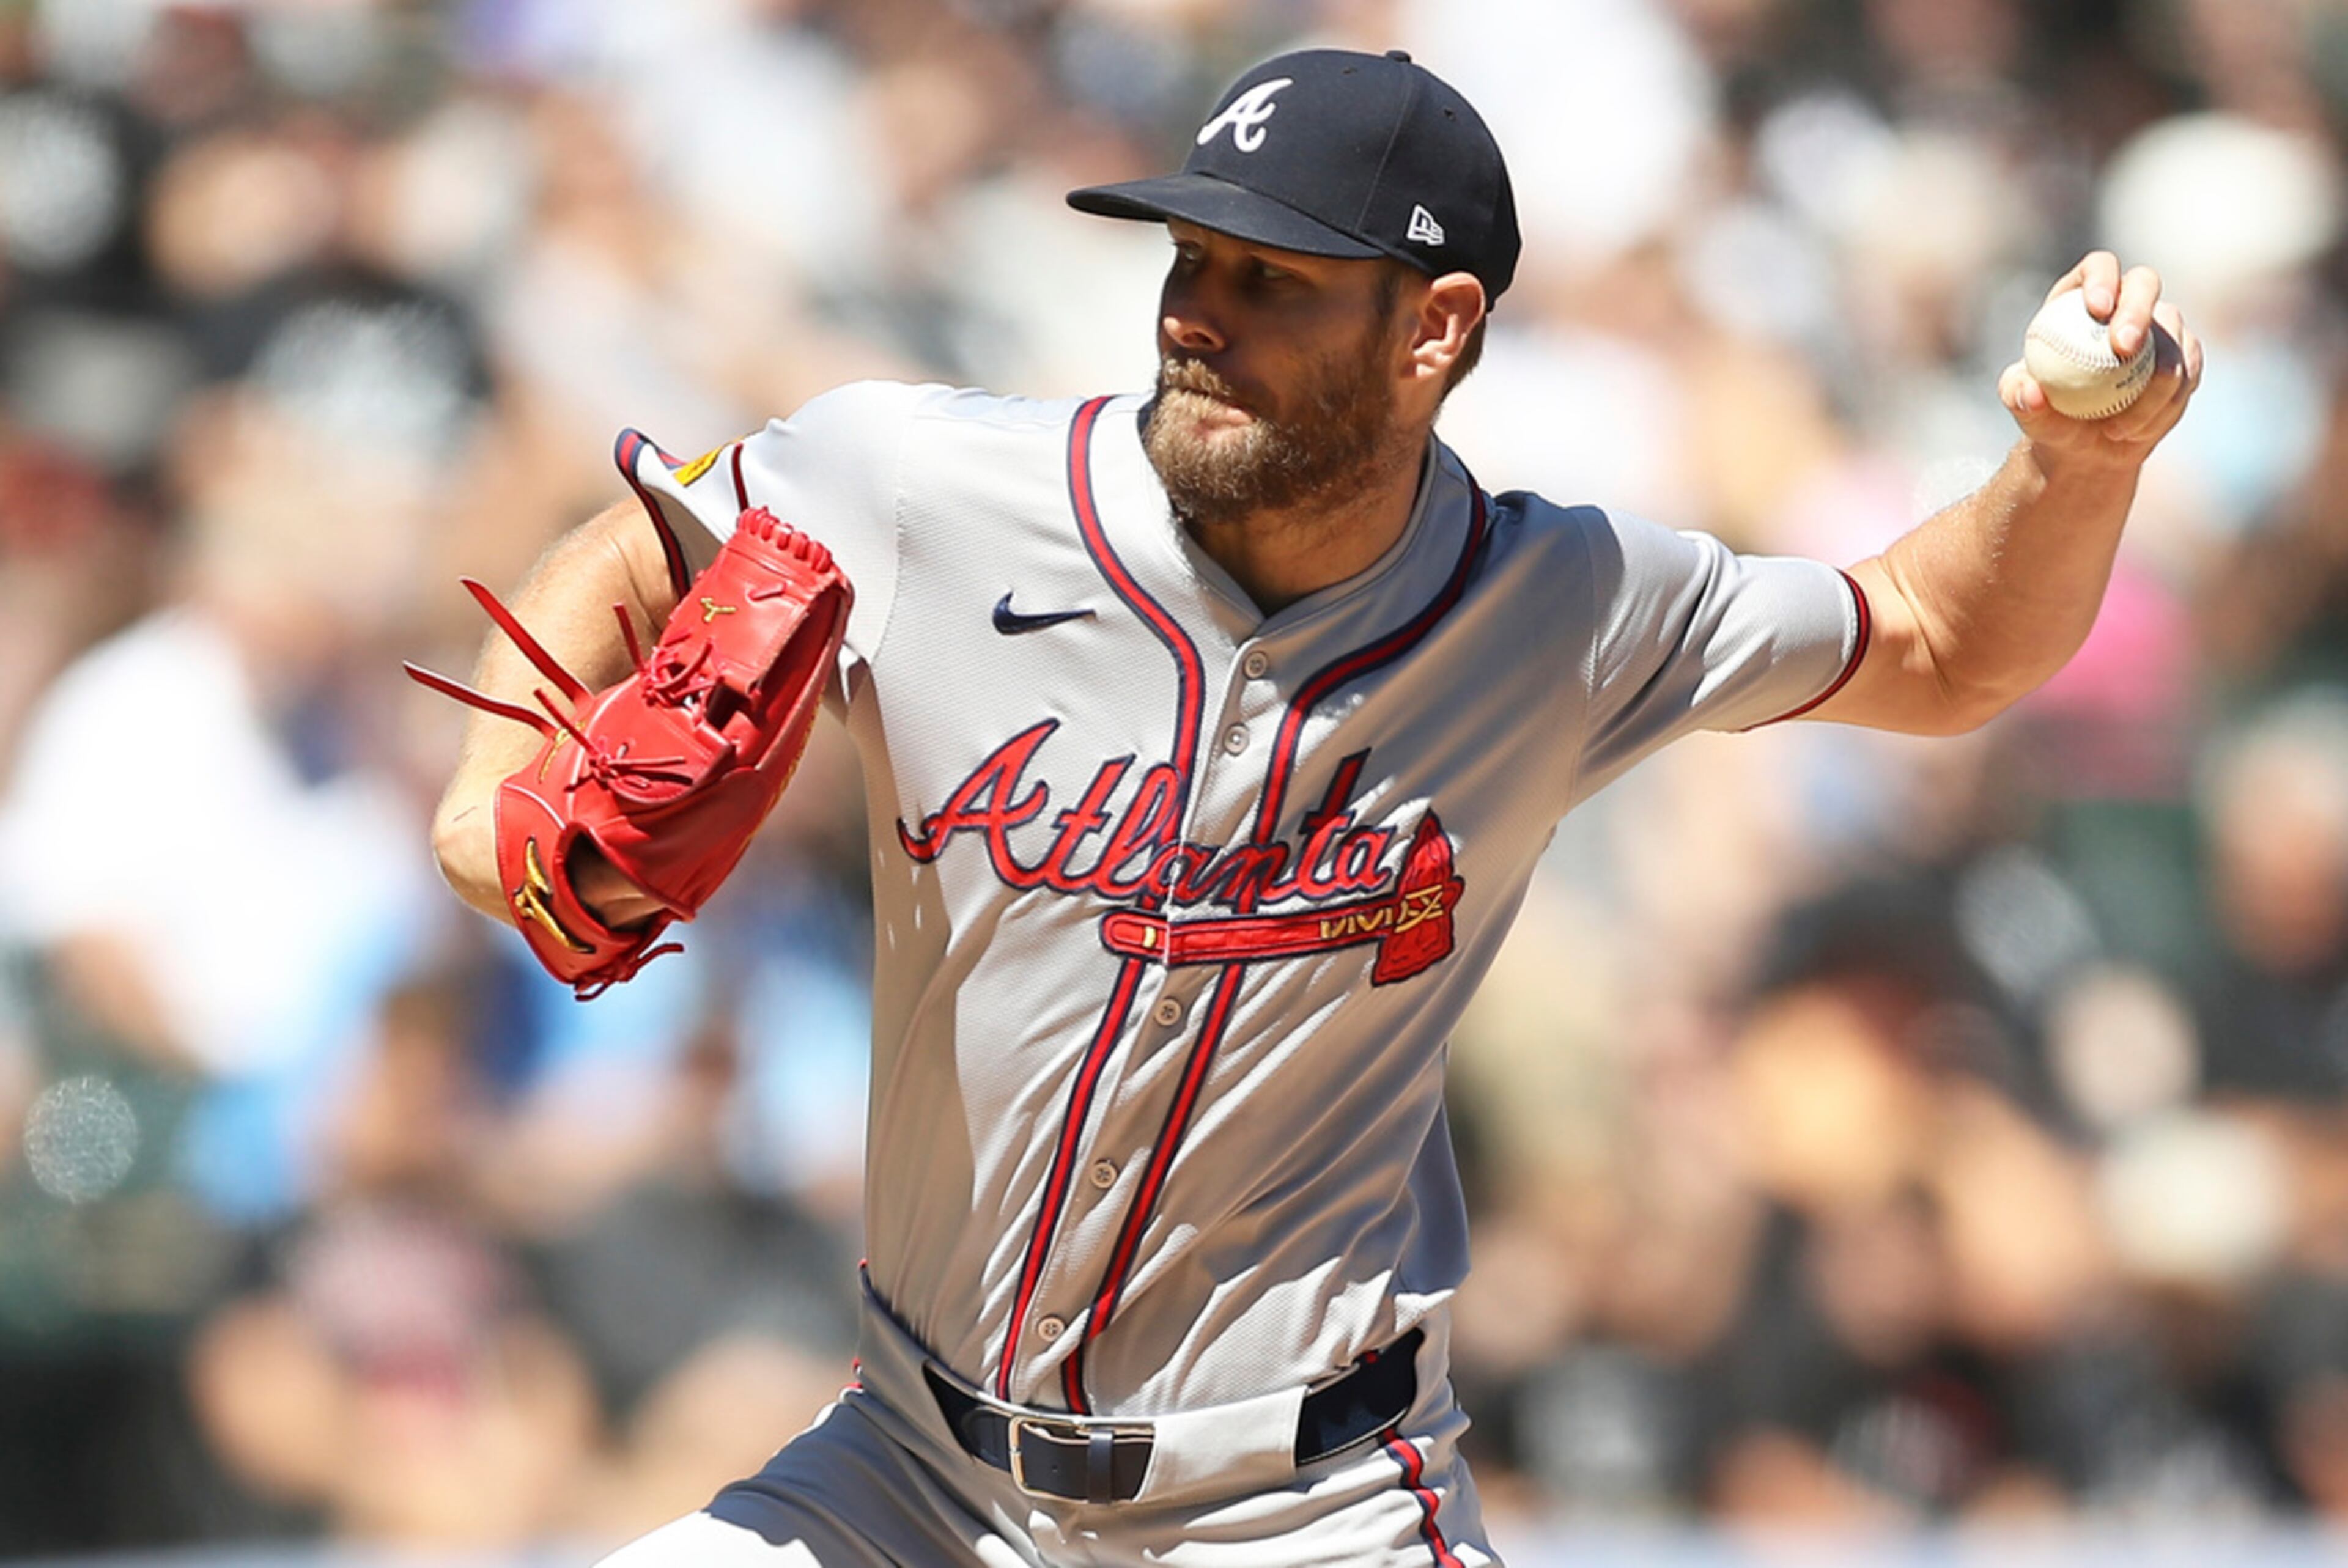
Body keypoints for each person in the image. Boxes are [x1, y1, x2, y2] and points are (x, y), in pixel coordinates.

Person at [427, 48, 2200, 1568]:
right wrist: (491, 790)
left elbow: (1938, 640)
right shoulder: (924, 487)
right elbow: (659, 545)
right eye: (1190, 253)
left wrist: (2078, 464)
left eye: (1274, 276)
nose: (1198, 310)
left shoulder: (1558, 606)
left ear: (1435, 330)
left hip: (1302, 1511)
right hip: (907, 1481)